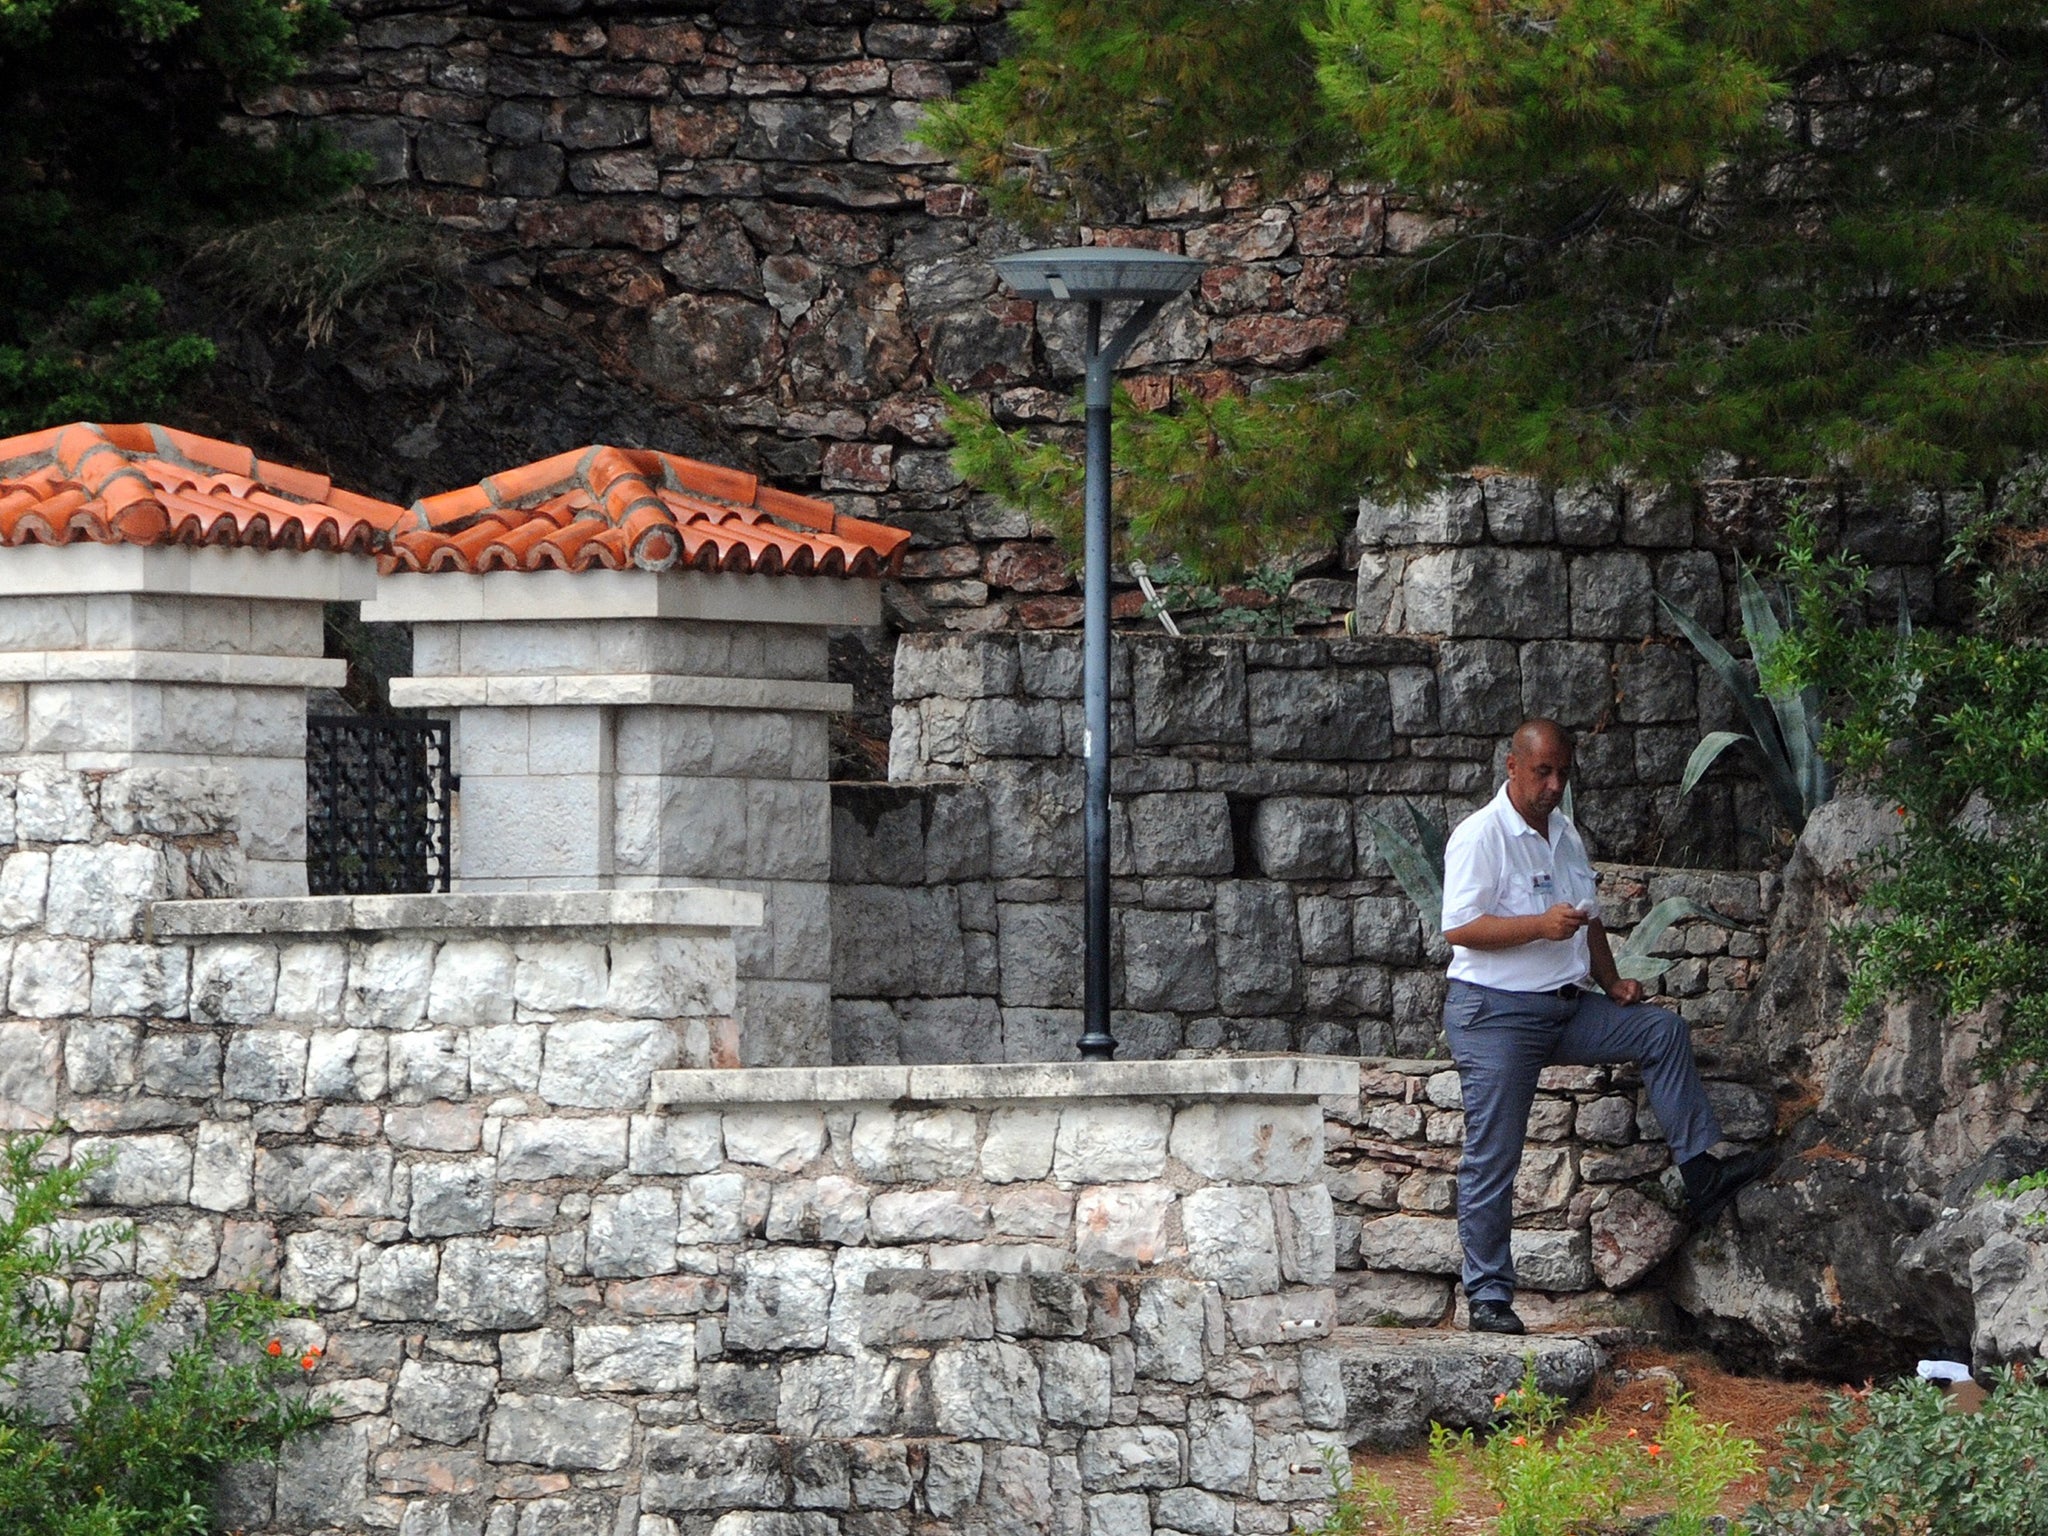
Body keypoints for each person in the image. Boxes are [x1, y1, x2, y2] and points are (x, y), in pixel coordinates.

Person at [1438, 718, 1774, 1336]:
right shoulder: (1481, 836)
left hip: (1564, 1005)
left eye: (1563, 773)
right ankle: (1488, 1297)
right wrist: (1539, 925)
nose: (1553, 785)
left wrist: (1612, 982)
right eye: (1542, 771)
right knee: (1495, 1155)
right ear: (1511, 767)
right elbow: (1459, 929)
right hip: (1495, 1014)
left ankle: (1701, 1173)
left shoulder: (1564, 832)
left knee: (1659, 1031)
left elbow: (1588, 918)